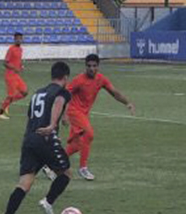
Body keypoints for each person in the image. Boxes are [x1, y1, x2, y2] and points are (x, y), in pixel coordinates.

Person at [0, 61, 73, 214]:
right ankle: (48, 201)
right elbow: (58, 103)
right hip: (45, 137)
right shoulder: (62, 92)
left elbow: (32, 116)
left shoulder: (38, 92)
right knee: (66, 173)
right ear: (65, 77)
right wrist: (52, 125)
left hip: (29, 139)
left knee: (25, 182)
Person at [57, 53, 136, 181]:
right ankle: (83, 168)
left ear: (98, 66)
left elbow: (114, 92)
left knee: (77, 145)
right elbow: (65, 94)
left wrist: (127, 103)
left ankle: (51, 164)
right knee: (89, 133)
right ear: (85, 66)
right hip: (74, 111)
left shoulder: (101, 79)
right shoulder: (79, 80)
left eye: (94, 66)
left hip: (83, 113)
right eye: (89, 66)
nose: (91, 68)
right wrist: (64, 114)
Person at [0, 32, 27, 120]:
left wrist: (21, 66)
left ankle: (7, 104)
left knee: (24, 92)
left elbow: (17, 60)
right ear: (14, 39)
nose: (19, 40)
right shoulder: (11, 49)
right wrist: (14, 68)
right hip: (10, 76)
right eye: (17, 39)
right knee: (11, 96)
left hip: (16, 76)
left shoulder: (20, 49)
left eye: (21, 38)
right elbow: (5, 63)